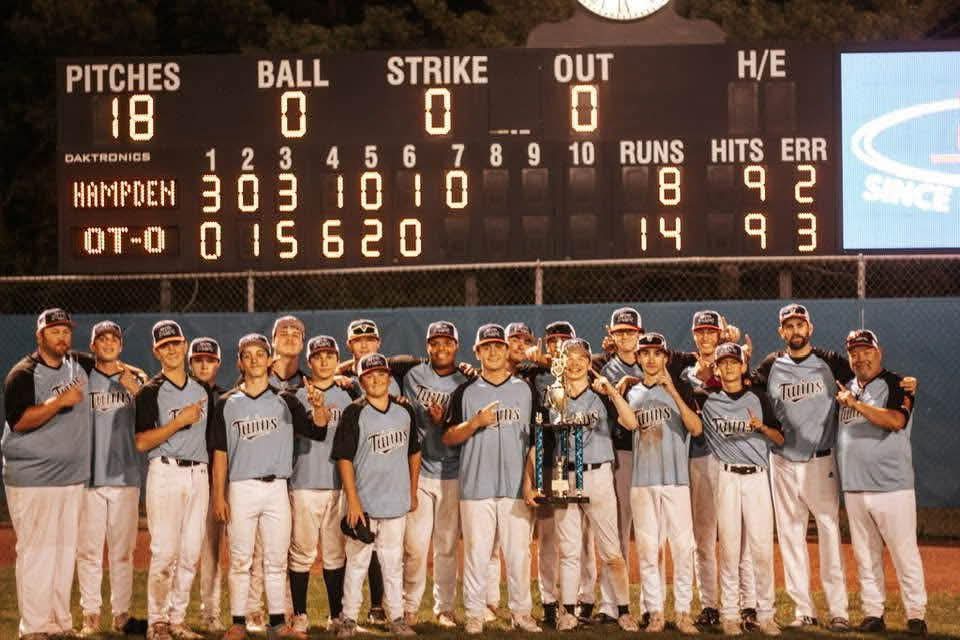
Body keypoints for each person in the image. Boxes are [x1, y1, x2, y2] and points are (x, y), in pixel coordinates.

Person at [752, 304, 916, 631]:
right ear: (781, 332)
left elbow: (868, 374)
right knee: (790, 536)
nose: (795, 330)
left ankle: (838, 609)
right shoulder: (770, 365)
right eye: (789, 326)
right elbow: (745, 388)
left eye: (801, 324)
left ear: (810, 329)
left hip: (820, 460)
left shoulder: (831, 363)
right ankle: (804, 610)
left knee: (828, 532)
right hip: (782, 461)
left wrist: (903, 384)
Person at [443, 324, 541, 635]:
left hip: (515, 486)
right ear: (478, 353)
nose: (494, 351)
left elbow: (535, 441)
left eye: (498, 346)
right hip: (476, 486)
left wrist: (529, 481)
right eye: (487, 347)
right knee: (476, 554)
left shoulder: (525, 390)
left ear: (506, 350)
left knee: (518, 554)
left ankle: (521, 613)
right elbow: (448, 436)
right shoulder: (465, 392)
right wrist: (474, 423)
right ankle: (473, 613)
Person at [3, 308, 93, 639]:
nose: (62, 336)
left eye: (66, 331)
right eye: (54, 331)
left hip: (70, 477)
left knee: (64, 550)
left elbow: (109, 363)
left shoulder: (79, 364)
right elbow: (19, 421)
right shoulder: (23, 374)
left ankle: (59, 623)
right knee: (37, 551)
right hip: (33, 478)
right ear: (40, 336)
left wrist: (131, 373)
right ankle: (34, 628)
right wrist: (57, 402)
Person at [538, 338, 638, 633]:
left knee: (611, 550)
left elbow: (631, 423)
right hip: (562, 471)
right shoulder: (553, 393)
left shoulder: (601, 393)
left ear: (589, 361)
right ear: (561, 361)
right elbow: (546, 437)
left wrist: (612, 393)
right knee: (568, 548)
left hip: (597, 471)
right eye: (569, 357)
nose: (576, 362)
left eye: (582, 356)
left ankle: (622, 610)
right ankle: (567, 611)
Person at [835, 330, 927, 636]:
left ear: (879, 352)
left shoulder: (897, 383)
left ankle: (915, 615)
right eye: (854, 353)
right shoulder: (845, 387)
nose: (860, 358)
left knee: (904, 553)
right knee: (865, 555)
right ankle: (873, 612)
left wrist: (856, 404)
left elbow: (896, 421)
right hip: (854, 486)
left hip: (892, 486)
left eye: (866, 351)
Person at [331, 353, 422, 638]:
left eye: (381, 374)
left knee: (393, 564)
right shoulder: (354, 412)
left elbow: (414, 452)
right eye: (369, 376)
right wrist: (354, 501)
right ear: (361, 380)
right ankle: (348, 618)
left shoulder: (404, 411)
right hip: (365, 504)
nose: (376, 379)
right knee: (357, 564)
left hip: (395, 502)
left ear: (389, 378)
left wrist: (412, 491)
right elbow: (344, 459)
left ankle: (396, 617)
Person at [135, 320, 214, 640]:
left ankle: (178, 619)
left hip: (199, 474)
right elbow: (141, 442)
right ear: (157, 351)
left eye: (176, 343)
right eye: (164, 345)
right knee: (165, 552)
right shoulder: (149, 392)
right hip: (165, 472)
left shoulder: (202, 389)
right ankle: (157, 622)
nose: (171, 349)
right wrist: (177, 422)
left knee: (190, 552)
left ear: (184, 346)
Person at [680, 311, 758, 630]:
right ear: (695, 335)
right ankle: (711, 604)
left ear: (721, 333)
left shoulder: (735, 365)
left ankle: (748, 605)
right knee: (703, 536)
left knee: (738, 538)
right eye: (701, 331)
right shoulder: (686, 372)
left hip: (733, 459)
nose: (706, 336)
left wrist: (738, 351)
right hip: (699, 458)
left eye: (712, 331)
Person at [619, 332, 701, 634]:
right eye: (646, 354)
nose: (651, 359)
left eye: (657, 353)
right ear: (638, 359)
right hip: (643, 482)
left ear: (665, 358)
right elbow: (626, 424)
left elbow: (696, 427)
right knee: (648, 550)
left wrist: (675, 393)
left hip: (676, 480)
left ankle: (682, 612)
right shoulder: (631, 392)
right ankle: (654, 612)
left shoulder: (681, 388)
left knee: (682, 549)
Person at [700, 343, 784, 637]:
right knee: (730, 549)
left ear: (743, 366)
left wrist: (760, 427)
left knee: (761, 548)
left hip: (757, 478)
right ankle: (730, 614)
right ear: (717, 368)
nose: (729, 367)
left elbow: (780, 438)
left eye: (734, 362)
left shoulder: (759, 397)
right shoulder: (708, 402)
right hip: (727, 478)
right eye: (723, 363)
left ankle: (766, 614)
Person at [78, 321, 147, 636]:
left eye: (113, 339)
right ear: (92, 346)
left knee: (123, 552)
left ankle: (121, 614)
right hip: (90, 476)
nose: (107, 343)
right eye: (101, 339)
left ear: (120, 344)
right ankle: (90, 615)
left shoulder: (138, 378)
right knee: (89, 550)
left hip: (126, 474)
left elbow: (154, 419)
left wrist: (140, 394)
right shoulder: (81, 379)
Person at [287, 336, 359, 634]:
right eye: (318, 356)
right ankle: (300, 614)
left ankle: (335, 614)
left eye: (331, 355)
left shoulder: (350, 394)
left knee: (334, 552)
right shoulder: (293, 396)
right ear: (309, 362)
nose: (325, 361)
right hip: (303, 481)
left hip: (338, 484)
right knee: (302, 551)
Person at [400, 321, 468, 628]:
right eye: (435, 343)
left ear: (456, 345)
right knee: (414, 546)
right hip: (420, 470)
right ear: (427, 346)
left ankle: (444, 608)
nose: (441, 348)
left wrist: (445, 421)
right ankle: (409, 607)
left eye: (447, 342)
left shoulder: (466, 380)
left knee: (446, 545)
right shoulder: (413, 375)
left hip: (453, 472)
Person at [190, 338, 230, 633]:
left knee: (213, 550)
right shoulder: (175, 393)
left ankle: (210, 612)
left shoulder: (227, 398)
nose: (204, 364)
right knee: (177, 548)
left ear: (218, 363)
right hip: (186, 476)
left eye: (209, 359)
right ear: (190, 363)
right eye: (198, 359)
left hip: (218, 479)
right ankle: (166, 614)